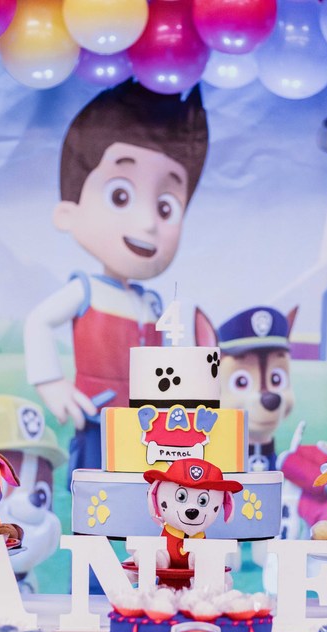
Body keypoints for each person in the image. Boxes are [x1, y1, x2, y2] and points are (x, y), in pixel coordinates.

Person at [24, 80, 209, 473]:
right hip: (97, 417)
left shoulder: (152, 304)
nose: (148, 223)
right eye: (120, 196)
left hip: (150, 427)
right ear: (68, 212)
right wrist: (51, 382)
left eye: (165, 207)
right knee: (95, 489)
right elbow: (38, 321)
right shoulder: (85, 291)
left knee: (148, 488)